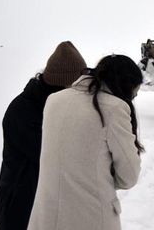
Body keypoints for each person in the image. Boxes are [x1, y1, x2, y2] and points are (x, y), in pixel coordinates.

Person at [28, 54, 144, 230]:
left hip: (46, 217)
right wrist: (102, 175)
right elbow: (128, 176)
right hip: (91, 217)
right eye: (134, 94)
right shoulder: (114, 108)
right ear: (125, 87)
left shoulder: (54, 100)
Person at [0, 41, 87, 230]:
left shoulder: (57, 105)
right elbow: (54, 156)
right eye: (76, 87)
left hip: (45, 207)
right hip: (20, 209)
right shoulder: (23, 111)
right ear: (62, 86)